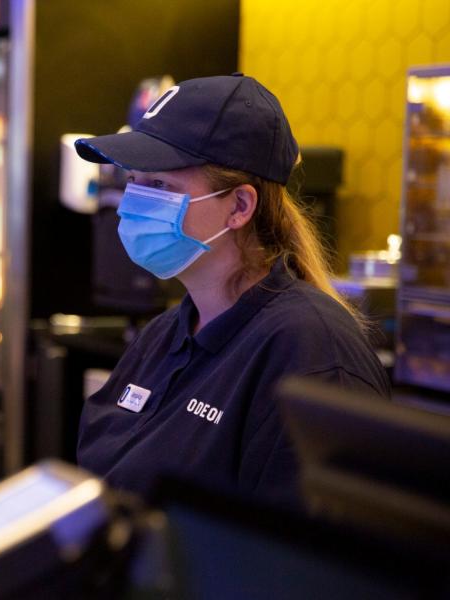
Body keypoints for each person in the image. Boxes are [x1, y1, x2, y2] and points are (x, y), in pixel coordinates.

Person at [73, 74, 389, 508]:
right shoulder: (167, 332)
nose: (133, 203)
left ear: (240, 206)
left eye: (160, 186)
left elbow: (307, 561)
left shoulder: (312, 352)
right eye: (134, 181)